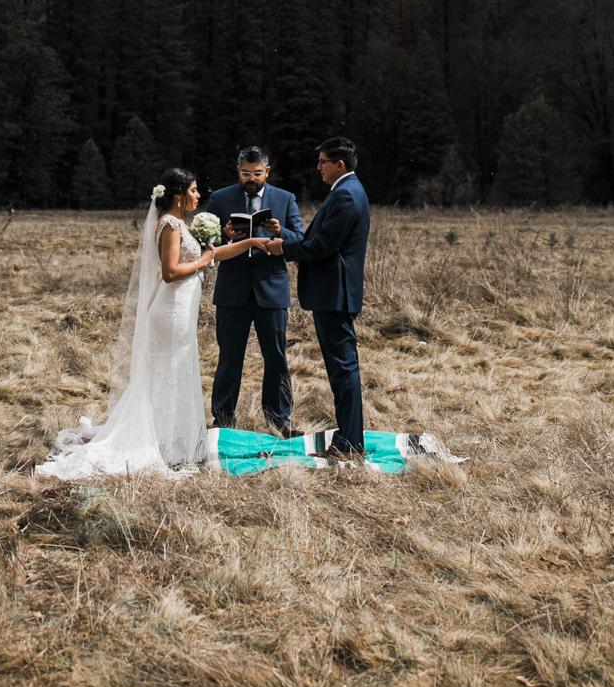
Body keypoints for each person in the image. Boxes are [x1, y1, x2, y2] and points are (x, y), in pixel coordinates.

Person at [38, 168, 266, 479]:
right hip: (171, 311)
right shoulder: (170, 224)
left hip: (181, 311)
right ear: (177, 195)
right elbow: (171, 271)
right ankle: (162, 443)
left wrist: (251, 242)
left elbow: (213, 255)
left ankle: (175, 440)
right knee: (169, 371)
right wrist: (201, 261)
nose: (199, 196)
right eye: (194, 191)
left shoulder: (182, 225)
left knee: (179, 369)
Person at [205, 146, 304, 434]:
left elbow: (299, 238)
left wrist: (279, 232)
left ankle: (280, 421)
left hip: (271, 289)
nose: (251, 178)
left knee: (276, 358)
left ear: (267, 172)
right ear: (238, 171)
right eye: (246, 173)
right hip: (232, 290)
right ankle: (223, 421)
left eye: (257, 173)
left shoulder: (286, 199)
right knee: (228, 358)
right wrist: (223, 234)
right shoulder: (220, 198)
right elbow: (205, 240)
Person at [282, 139, 370, 461]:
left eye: (323, 162)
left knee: (343, 370)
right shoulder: (348, 191)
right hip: (334, 293)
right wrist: (287, 236)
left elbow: (323, 247)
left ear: (340, 165)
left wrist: (283, 249)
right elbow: (317, 240)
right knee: (341, 370)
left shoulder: (346, 194)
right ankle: (348, 439)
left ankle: (350, 444)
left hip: (335, 295)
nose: (318, 167)